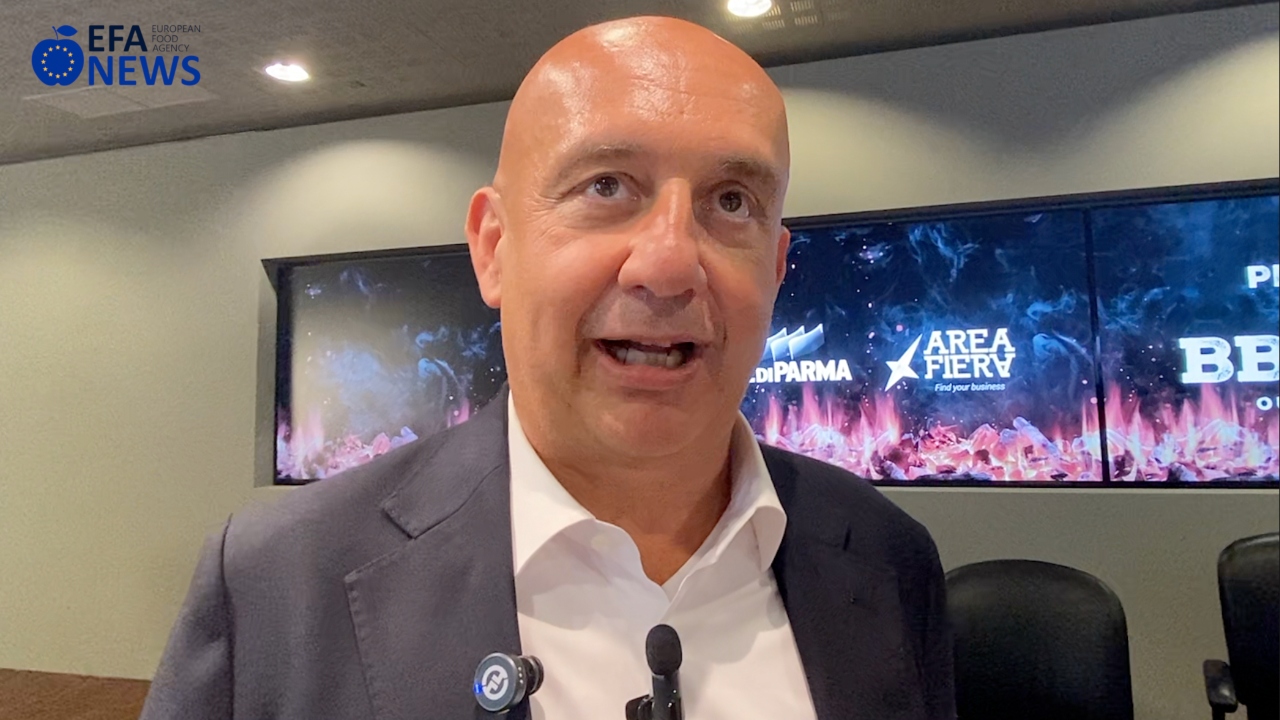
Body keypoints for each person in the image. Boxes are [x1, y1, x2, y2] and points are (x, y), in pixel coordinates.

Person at [140, 15, 954, 720]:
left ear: (776, 269)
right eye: (607, 186)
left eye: (732, 201)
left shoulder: (890, 562)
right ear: (494, 248)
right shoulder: (278, 583)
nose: (669, 265)